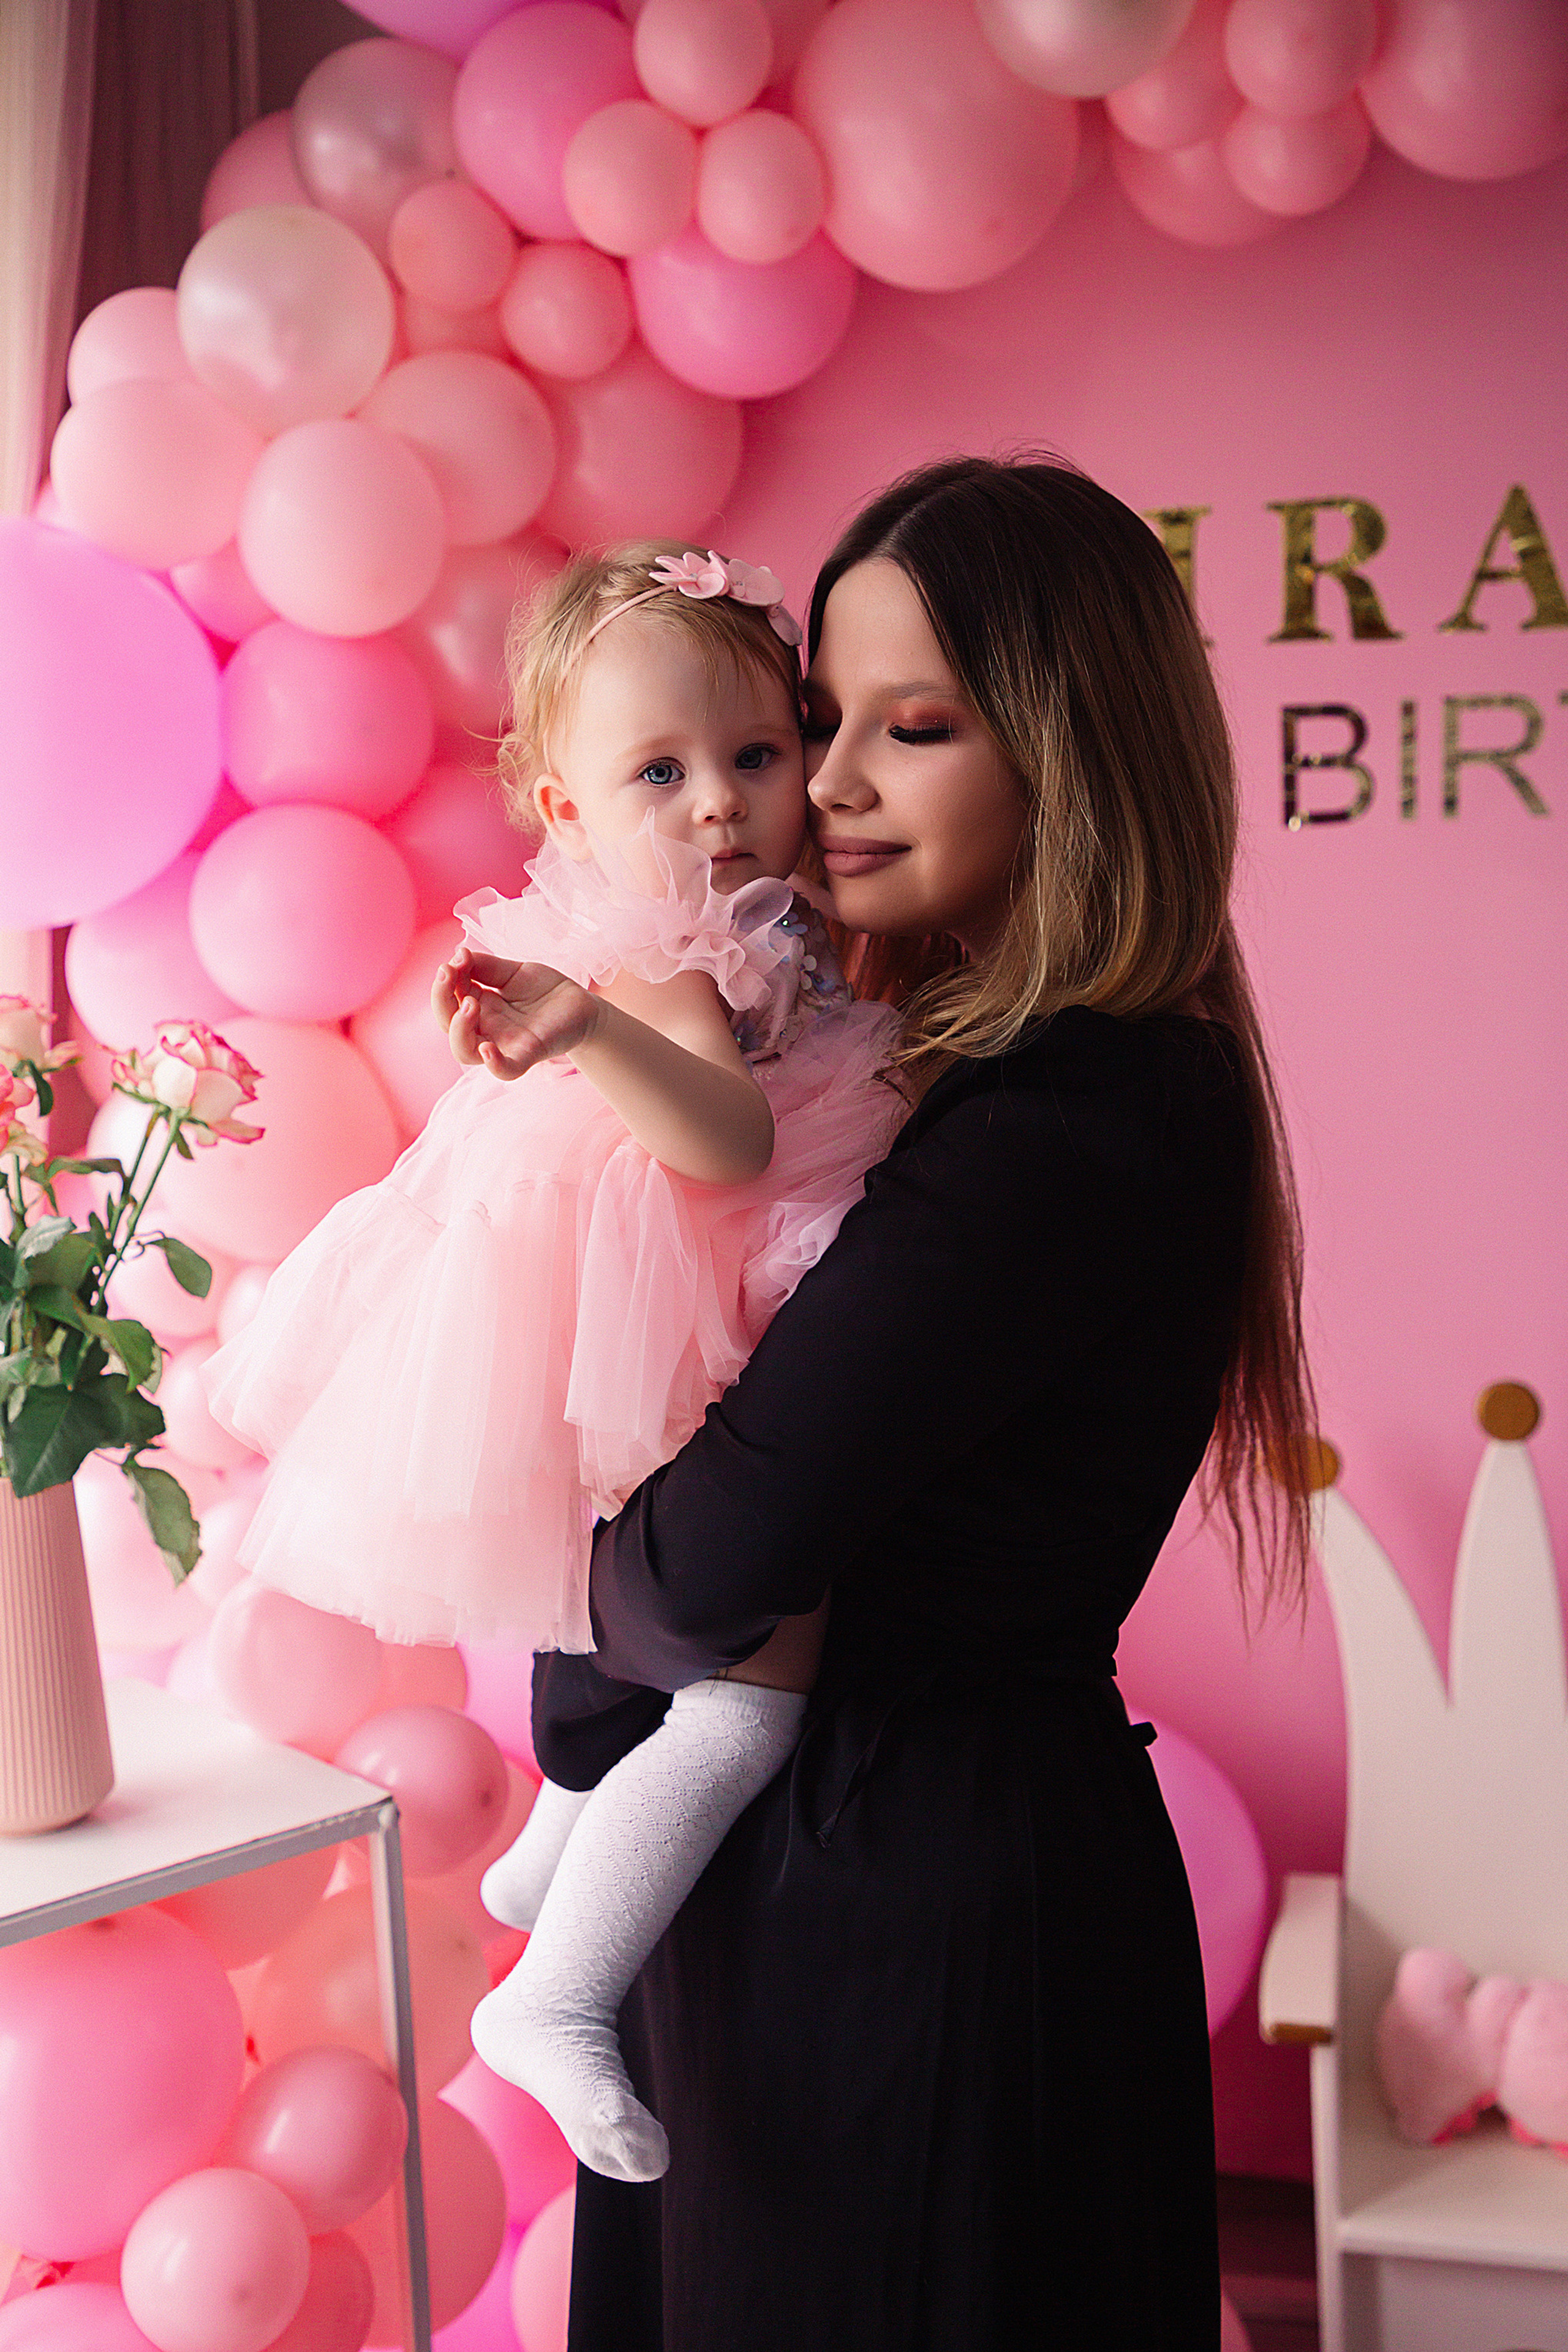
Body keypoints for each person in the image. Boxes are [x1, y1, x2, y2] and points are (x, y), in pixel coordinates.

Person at [527, 456, 1317, 2351]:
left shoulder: (1070, 1117)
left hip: (911, 1943)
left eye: (921, 725)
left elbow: (714, 1557)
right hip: (831, 1899)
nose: (832, 784)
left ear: (1072, 753)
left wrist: (574, 1646)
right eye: (825, 721)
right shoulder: (926, 1075)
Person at [203, 541, 905, 2183]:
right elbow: (727, 1146)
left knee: (682, 1664)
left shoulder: (735, 924)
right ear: (565, 808)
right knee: (748, 1708)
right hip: (671, 1305)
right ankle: (559, 1995)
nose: (720, 803)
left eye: (756, 753)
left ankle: (548, 1859)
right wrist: (593, 1030)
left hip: (663, 1299)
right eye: (660, 772)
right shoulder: (672, 951)